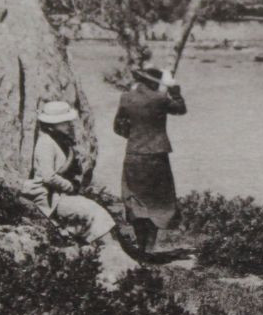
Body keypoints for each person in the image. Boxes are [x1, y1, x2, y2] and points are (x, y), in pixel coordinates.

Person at [23, 100, 133, 287]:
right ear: (51, 125)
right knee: (93, 211)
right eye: (64, 122)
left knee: (94, 211)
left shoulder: (59, 142)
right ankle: (113, 257)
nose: (68, 125)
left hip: (59, 195)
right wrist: (69, 187)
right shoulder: (45, 144)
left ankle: (113, 256)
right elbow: (48, 177)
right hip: (49, 197)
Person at [112, 66, 186, 252]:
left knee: (136, 200)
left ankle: (140, 245)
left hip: (134, 153)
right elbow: (181, 109)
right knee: (157, 200)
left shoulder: (126, 97)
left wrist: (135, 136)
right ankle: (149, 248)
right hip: (156, 155)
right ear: (154, 82)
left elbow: (118, 127)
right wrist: (174, 90)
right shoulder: (160, 99)